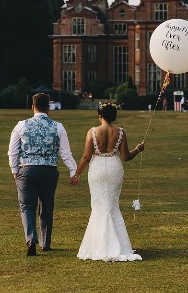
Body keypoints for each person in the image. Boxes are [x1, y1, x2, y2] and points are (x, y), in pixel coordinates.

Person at [71, 103, 144, 262]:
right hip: (113, 168)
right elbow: (125, 157)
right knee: (112, 205)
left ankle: (99, 245)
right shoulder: (121, 132)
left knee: (98, 206)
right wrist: (138, 149)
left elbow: (86, 157)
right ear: (114, 116)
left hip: (97, 169)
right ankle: (117, 245)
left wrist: (77, 174)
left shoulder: (92, 132)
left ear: (100, 115)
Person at [7, 93, 77, 257]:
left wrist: (14, 170)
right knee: (46, 206)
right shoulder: (58, 127)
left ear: (32, 107)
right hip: (49, 171)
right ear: (48, 108)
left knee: (27, 207)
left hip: (27, 170)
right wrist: (73, 171)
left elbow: (13, 151)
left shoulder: (21, 125)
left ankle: (31, 239)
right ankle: (45, 243)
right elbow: (65, 153)